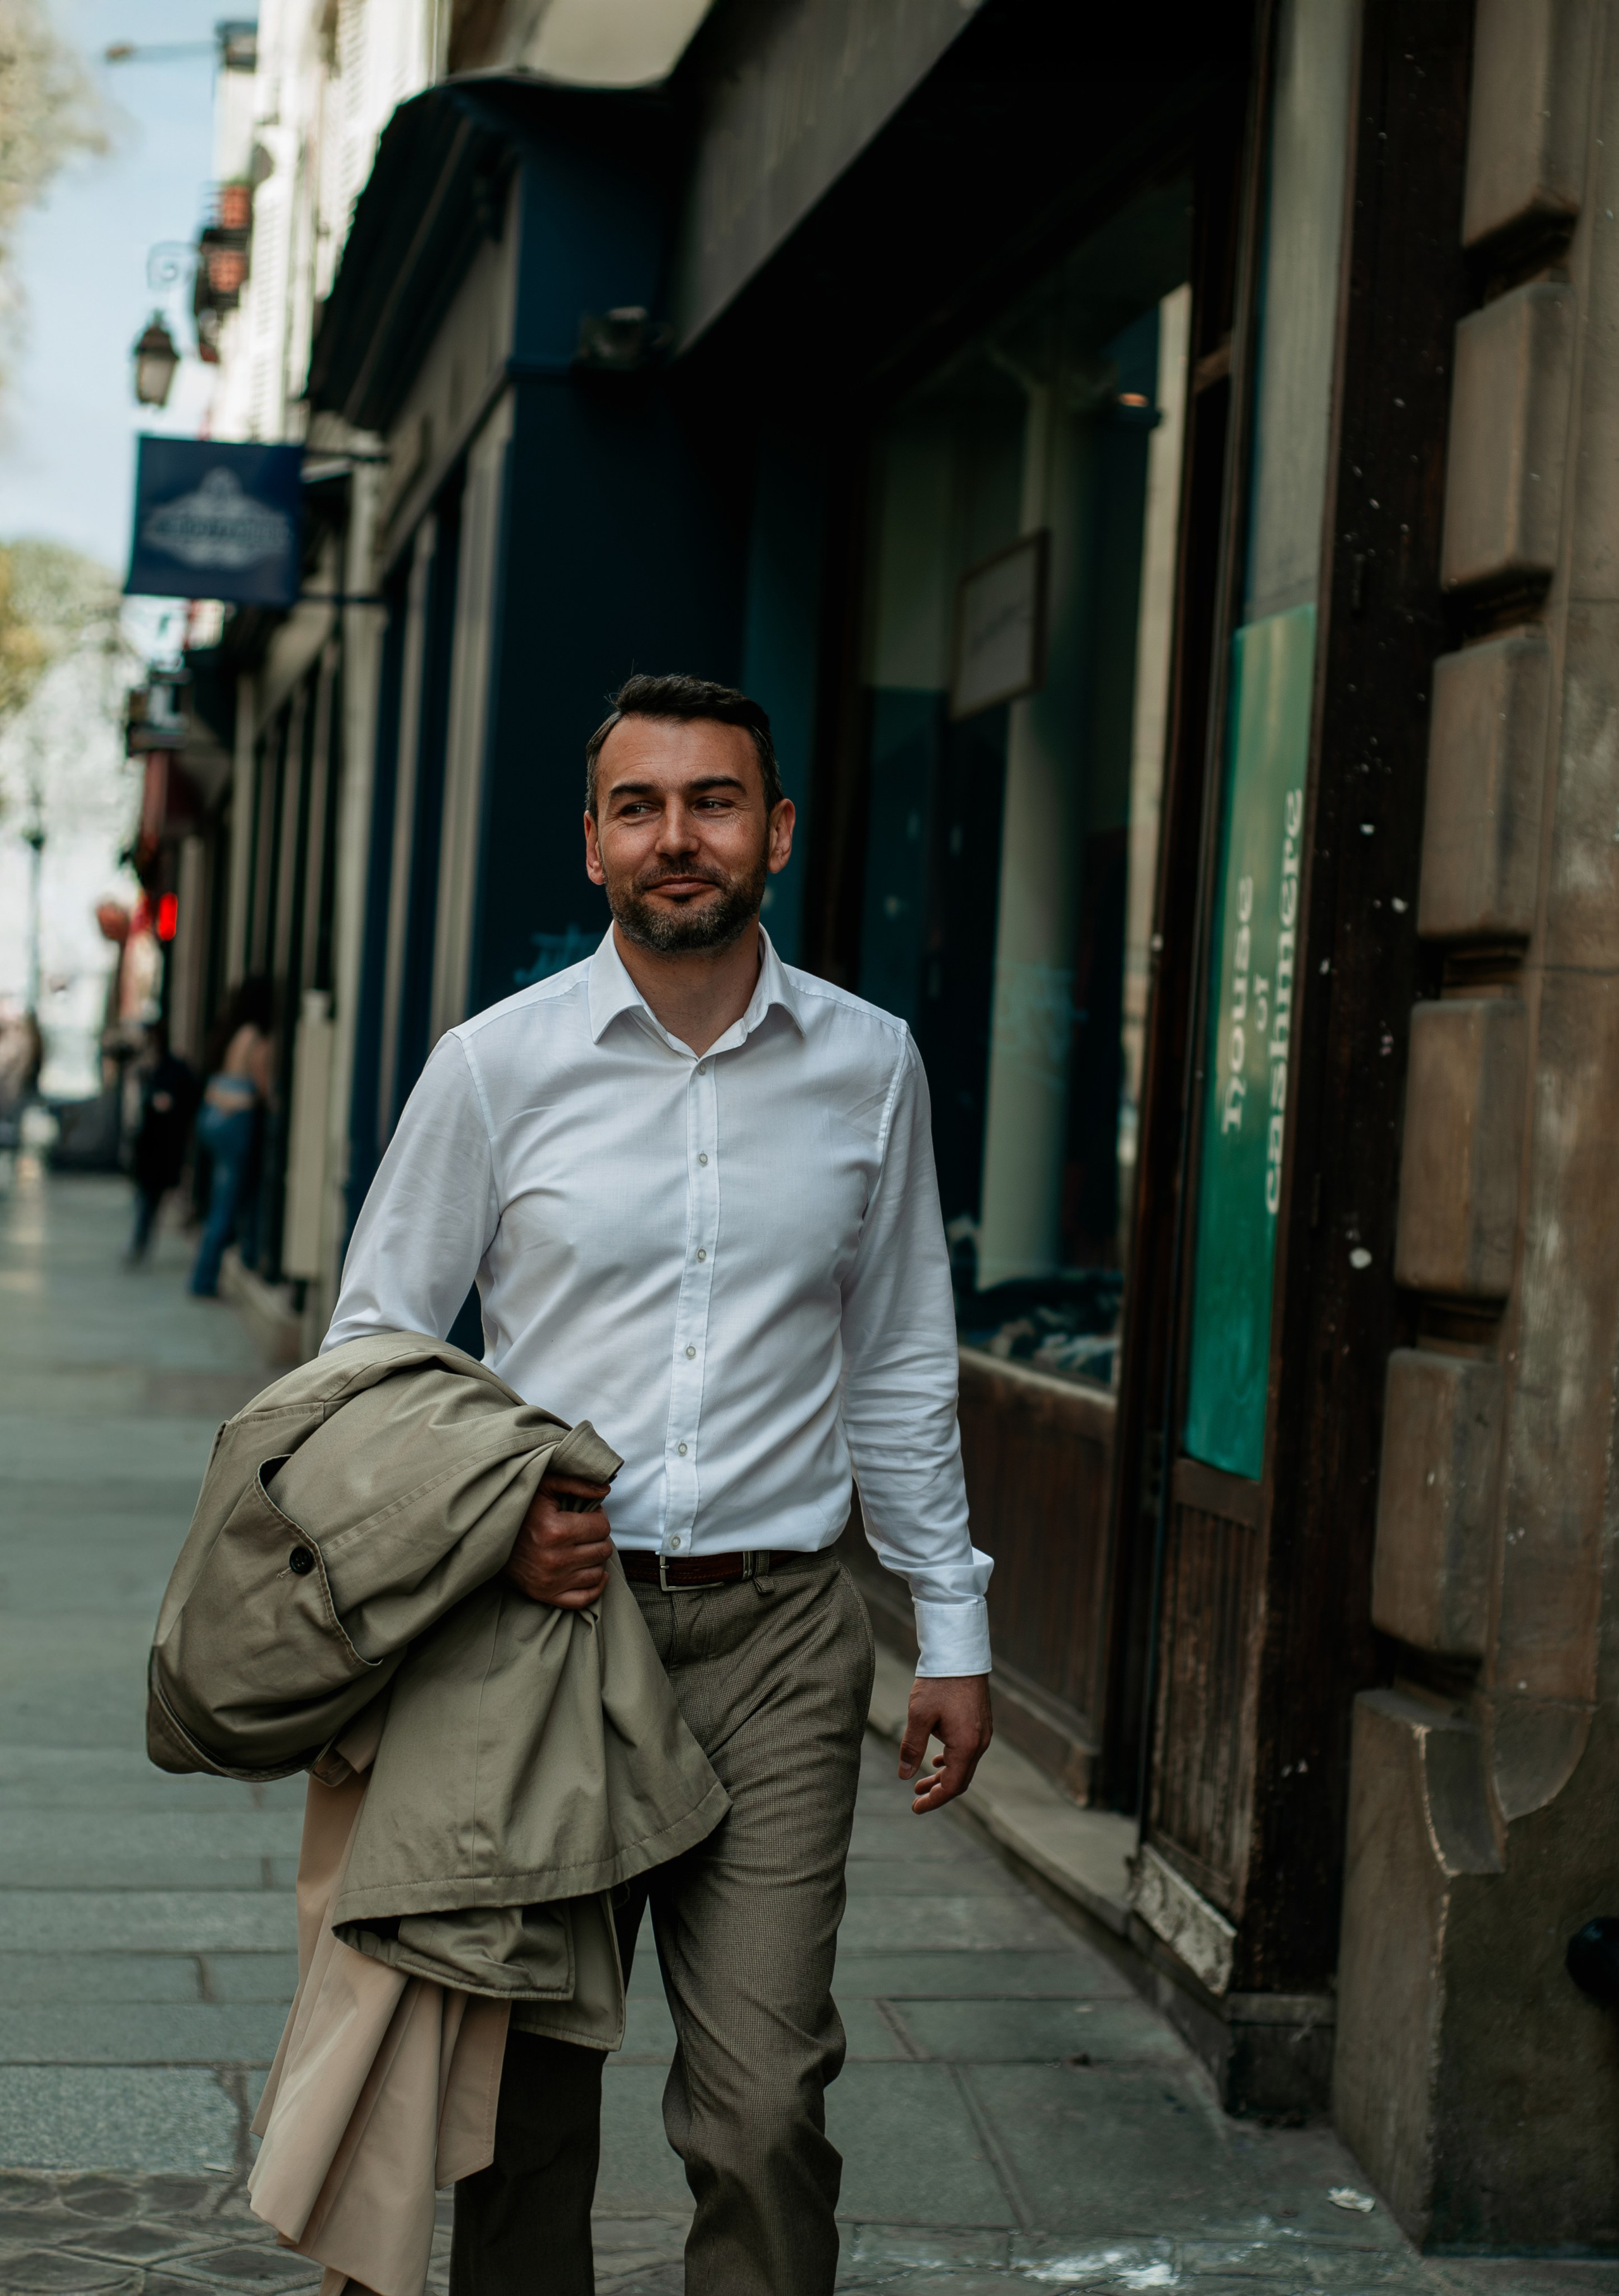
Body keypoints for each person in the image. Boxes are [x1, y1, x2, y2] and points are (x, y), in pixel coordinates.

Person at [324, 673, 995, 2296]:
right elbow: (369, 1346)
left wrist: (951, 1623)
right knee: (530, 2105)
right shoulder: (493, 1068)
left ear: (771, 829)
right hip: (546, 1645)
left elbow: (899, 1353)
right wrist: (493, 1514)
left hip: (777, 1638)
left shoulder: (868, 1064)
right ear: (591, 844)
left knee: (764, 2100)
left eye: (709, 801)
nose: (674, 835)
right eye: (639, 805)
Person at [189, 976, 273, 1297]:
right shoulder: (257, 1036)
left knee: (221, 1197)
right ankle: (204, 1277)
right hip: (236, 1117)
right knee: (228, 1202)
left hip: (212, 1111)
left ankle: (206, 1272)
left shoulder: (230, 1031)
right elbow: (261, 1082)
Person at [126, 1021, 197, 1260]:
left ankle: (141, 1242)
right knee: (146, 1197)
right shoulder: (142, 1068)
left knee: (152, 1197)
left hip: (164, 1144)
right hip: (146, 1143)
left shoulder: (174, 1069)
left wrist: (169, 1103)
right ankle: (141, 1241)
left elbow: (188, 1099)